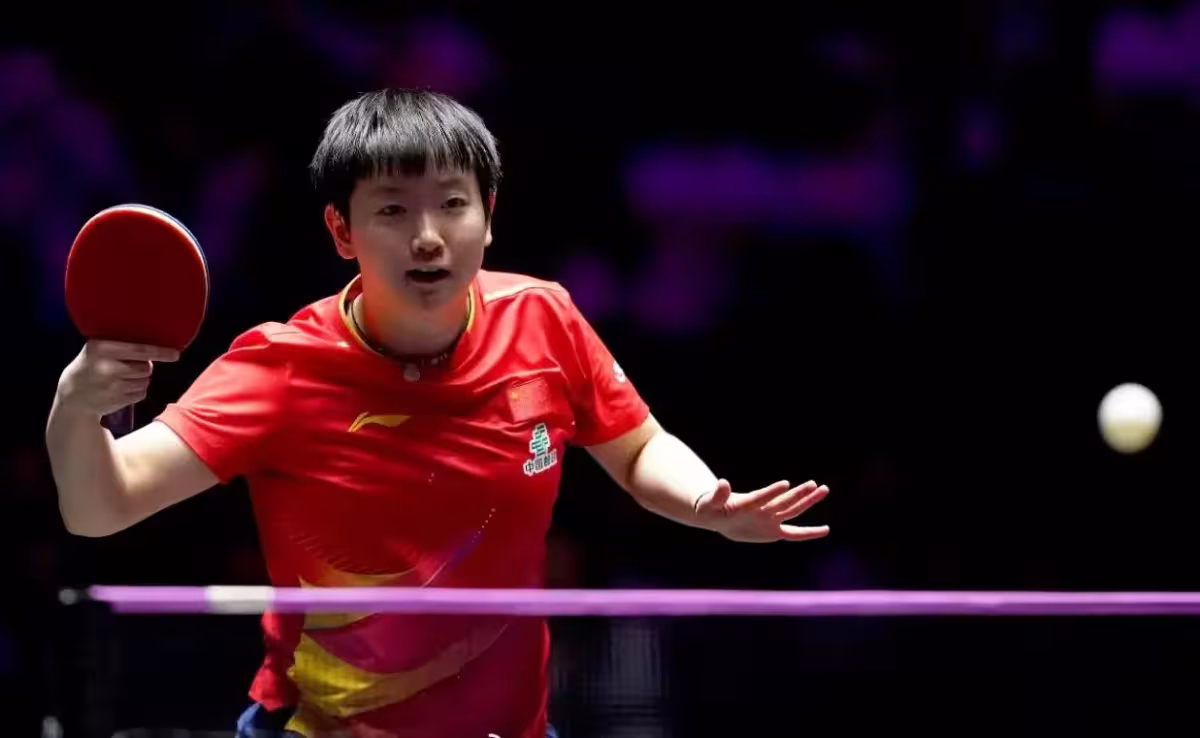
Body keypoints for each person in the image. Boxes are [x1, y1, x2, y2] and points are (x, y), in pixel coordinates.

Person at [45, 88, 831, 738]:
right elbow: (99, 507)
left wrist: (702, 501)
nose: (427, 238)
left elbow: (637, 449)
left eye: (452, 204)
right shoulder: (279, 370)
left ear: (488, 214)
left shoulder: (545, 320)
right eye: (392, 211)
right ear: (342, 230)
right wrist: (75, 408)